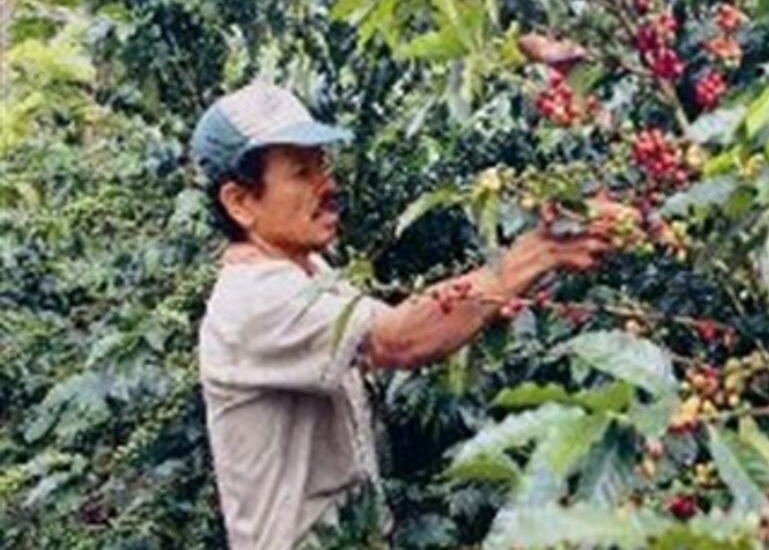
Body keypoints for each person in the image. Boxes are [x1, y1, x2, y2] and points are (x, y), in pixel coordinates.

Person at [189, 83, 624, 549]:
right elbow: (398, 338)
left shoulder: (307, 269)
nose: (328, 186)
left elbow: (407, 322)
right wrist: (535, 253)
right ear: (240, 202)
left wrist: (511, 285)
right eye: (301, 173)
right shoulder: (256, 299)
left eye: (322, 165)